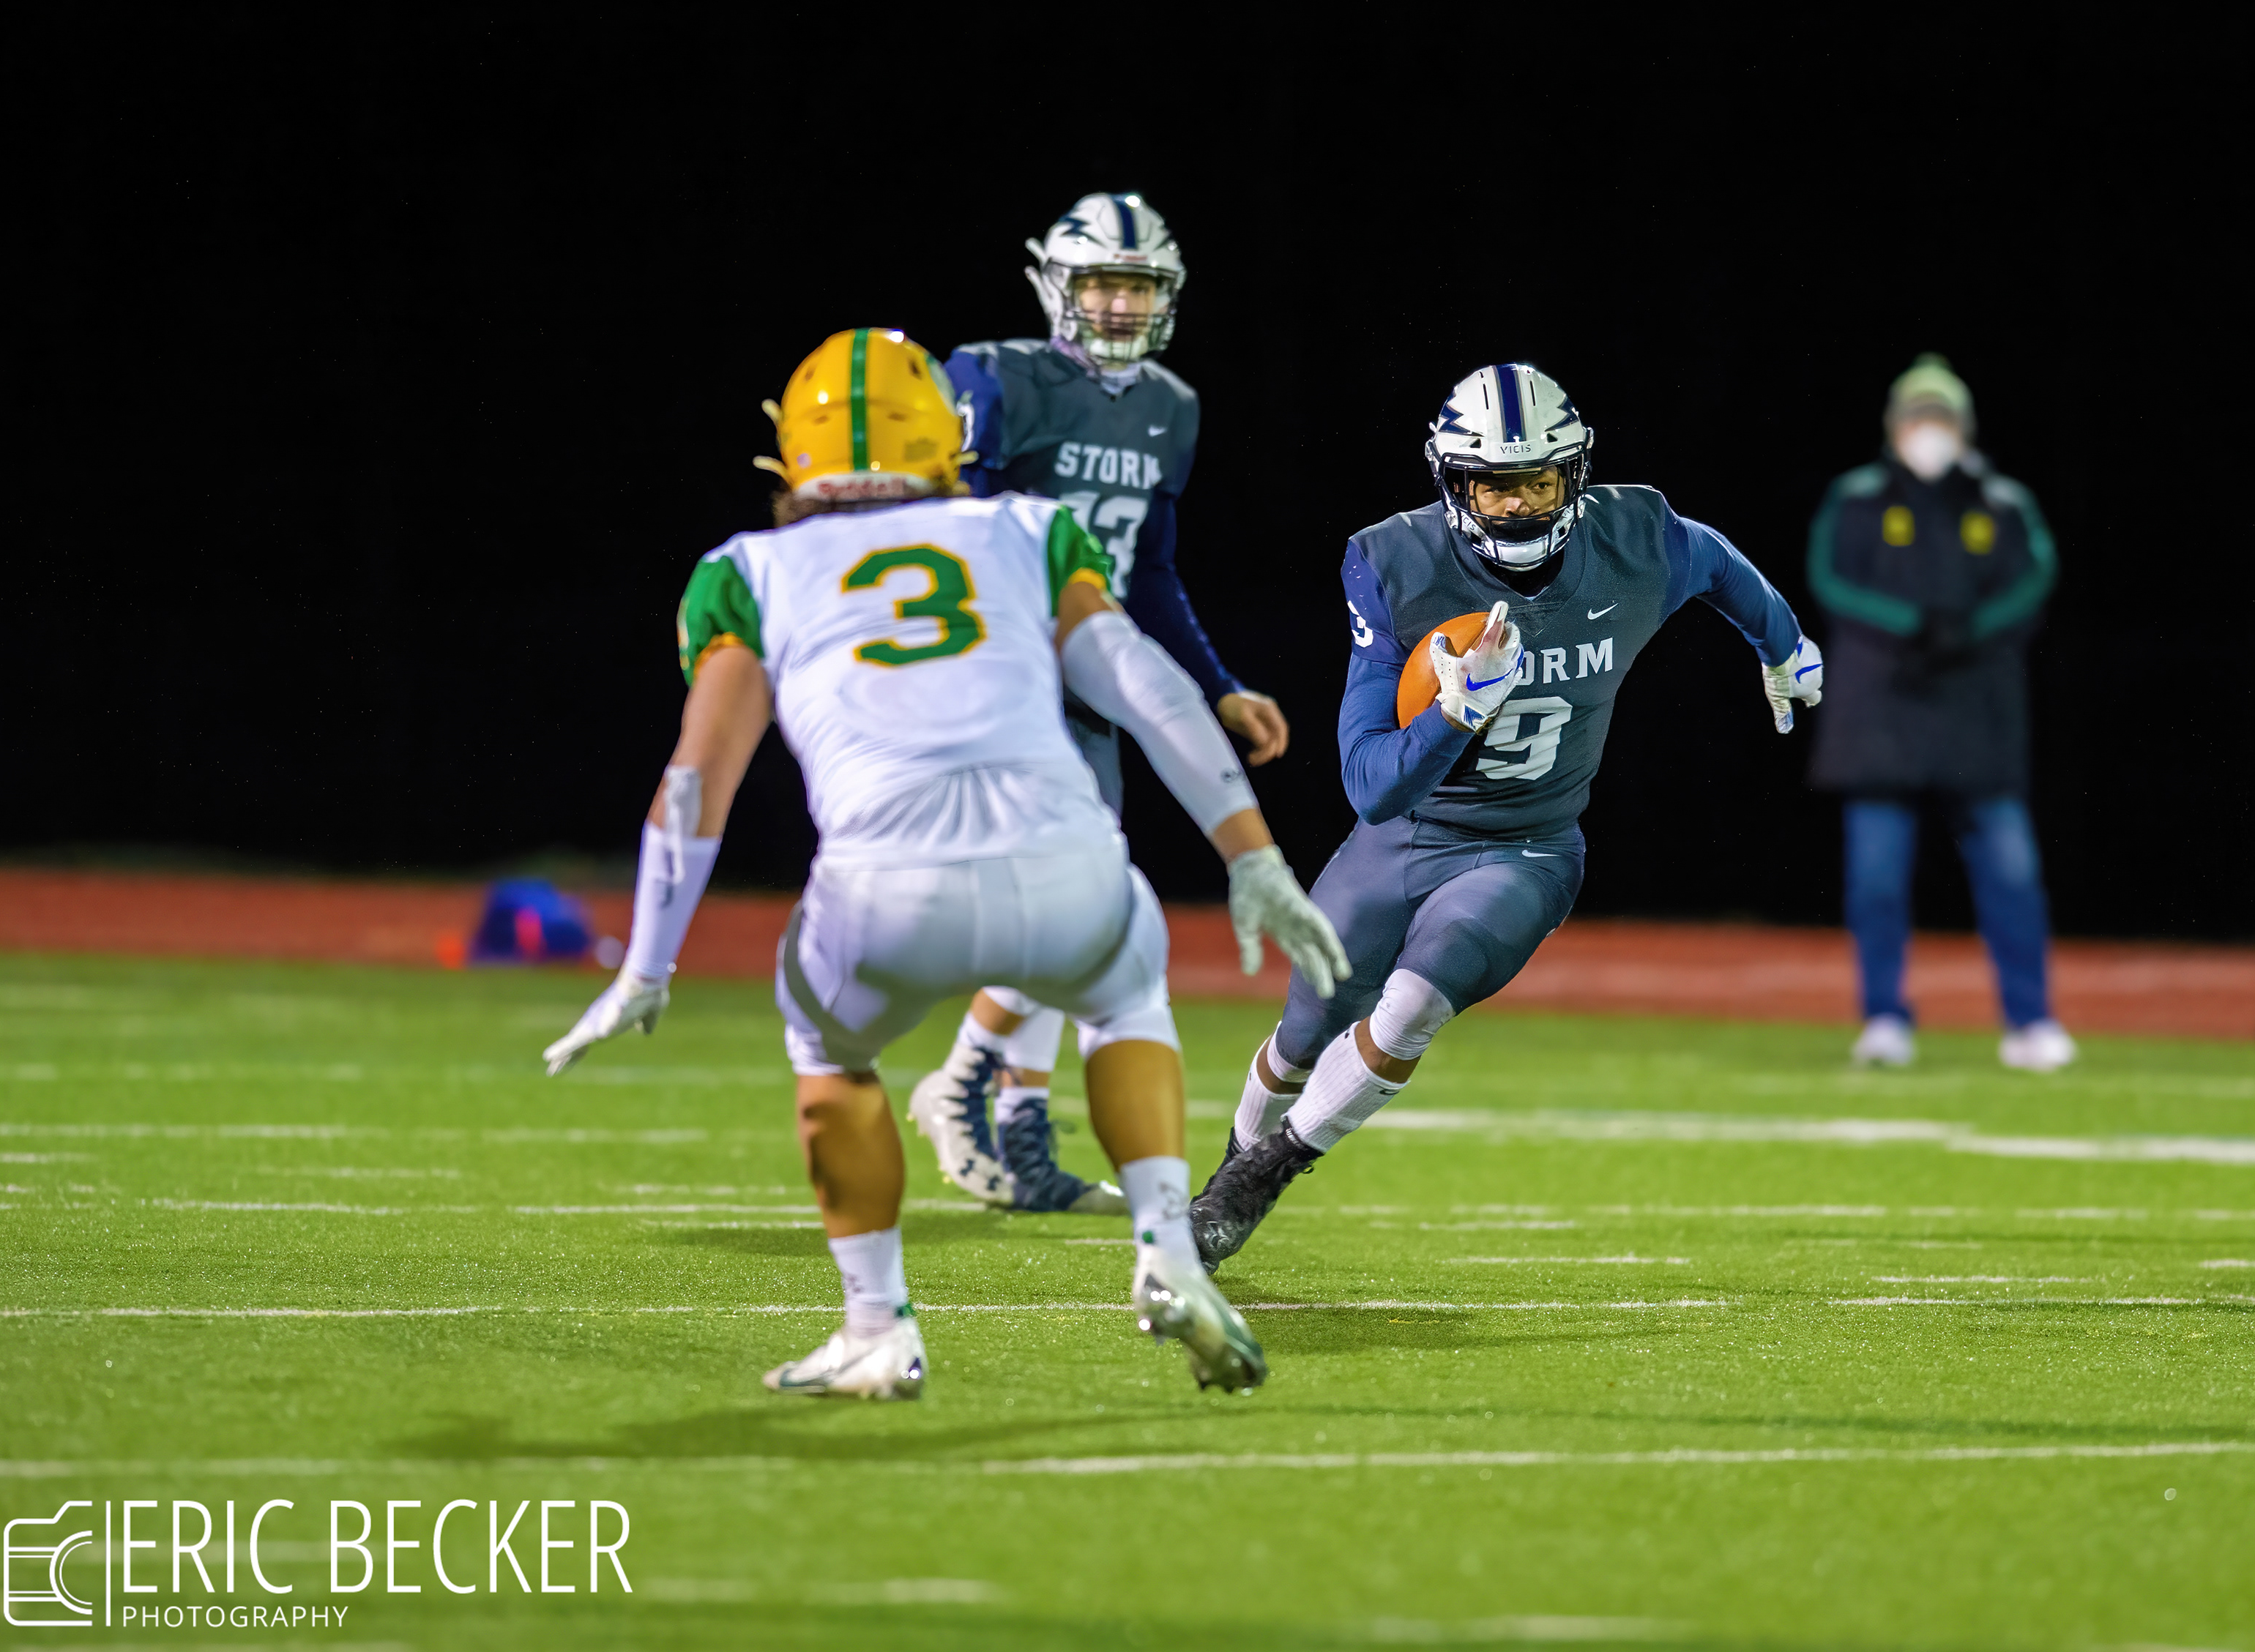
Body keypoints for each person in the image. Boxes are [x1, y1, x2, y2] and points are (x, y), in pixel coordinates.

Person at [539, 327, 1349, 1397]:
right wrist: (1254, 858)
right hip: (1064, 862)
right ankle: (1166, 1253)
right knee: (1124, 994)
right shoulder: (1029, 529)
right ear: (946, 438)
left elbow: (696, 783)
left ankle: (878, 1327)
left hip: (882, 890)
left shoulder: (743, 572)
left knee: (829, 1052)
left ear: (794, 454)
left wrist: (647, 965)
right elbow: (1147, 689)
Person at [1185, 362, 1824, 1268]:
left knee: (1414, 1002)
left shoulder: (1635, 538)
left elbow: (1716, 559)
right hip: (1404, 835)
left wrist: (1782, 641)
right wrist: (1454, 715)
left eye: (1538, 481)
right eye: (1494, 485)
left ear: (1575, 476)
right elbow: (1372, 788)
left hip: (1527, 846)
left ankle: (1265, 1173)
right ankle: (1229, 1173)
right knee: (1303, 1033)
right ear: (1454, 484)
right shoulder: (1395, 563)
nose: (1519, 505)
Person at [907, 193, 1292, 1219]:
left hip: (1093, 677)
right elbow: (954, 532)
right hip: (1004, 671)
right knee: (1074, 900)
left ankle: (1014, 1123)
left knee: (1072, 906)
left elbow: (1149, 571)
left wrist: (1218, 685)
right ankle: (968, 1087)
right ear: (1056, 286)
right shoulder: (993, 376)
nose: (1121, 305)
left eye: (1139, 286)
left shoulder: (1173, 405)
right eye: (1102, 284)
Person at [1803, 354, 2066, 1072]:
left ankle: (2031, 1020)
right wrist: (1911, 627)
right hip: (1881, 715)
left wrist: (1968, 630)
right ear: (1894, 427)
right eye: (1918, 418)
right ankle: (1884, 1017)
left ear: (1964, 427)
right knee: (1877, 881)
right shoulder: (1856, 498)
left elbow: (2036, 578)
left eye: (1941, 418)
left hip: (1976, 715)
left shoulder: (2003, 503)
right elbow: (1830, 579)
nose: (1929, 431)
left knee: (2011, 875)